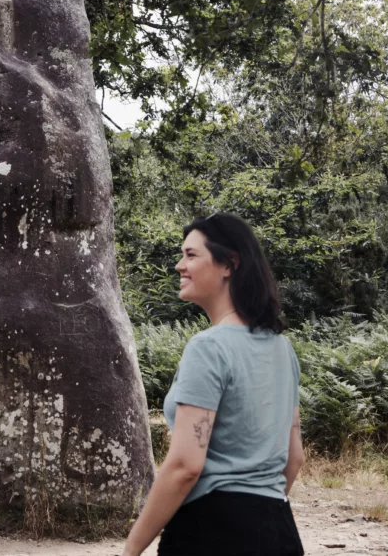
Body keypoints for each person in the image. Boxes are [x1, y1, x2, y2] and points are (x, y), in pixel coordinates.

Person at [122, 213, 305, 556]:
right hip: (279, 530)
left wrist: (131, 549)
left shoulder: (209, 348)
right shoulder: (282, 349)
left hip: (210, 530)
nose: (179, 265)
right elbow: (294, 458)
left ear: (229, 264)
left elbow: (185, 466)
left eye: (191, 255)